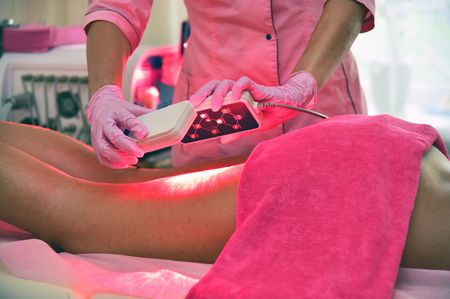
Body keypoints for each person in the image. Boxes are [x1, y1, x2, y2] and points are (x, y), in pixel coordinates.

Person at [0, 119, 449, 270]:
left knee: (111, 187)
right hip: (354, 183)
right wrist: (106, 91)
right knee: (79, 210)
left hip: (384, 154)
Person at [84, 0, 375, 168]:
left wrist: (304, 83)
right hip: (214, 116)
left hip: (321, 88)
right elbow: (115, 3)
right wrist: (104, 92)